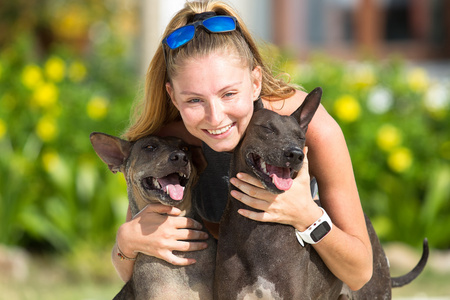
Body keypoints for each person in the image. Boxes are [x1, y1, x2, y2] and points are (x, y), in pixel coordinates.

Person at [112, 0, 373, 291]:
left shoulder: (306, 127)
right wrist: (127, 242)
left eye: (229, 93)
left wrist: (307, 216)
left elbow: (360, 273)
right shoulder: (170, 148)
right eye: (194, 100)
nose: (215, 117)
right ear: (173, 97)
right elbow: (133, 274)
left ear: (255, 81)